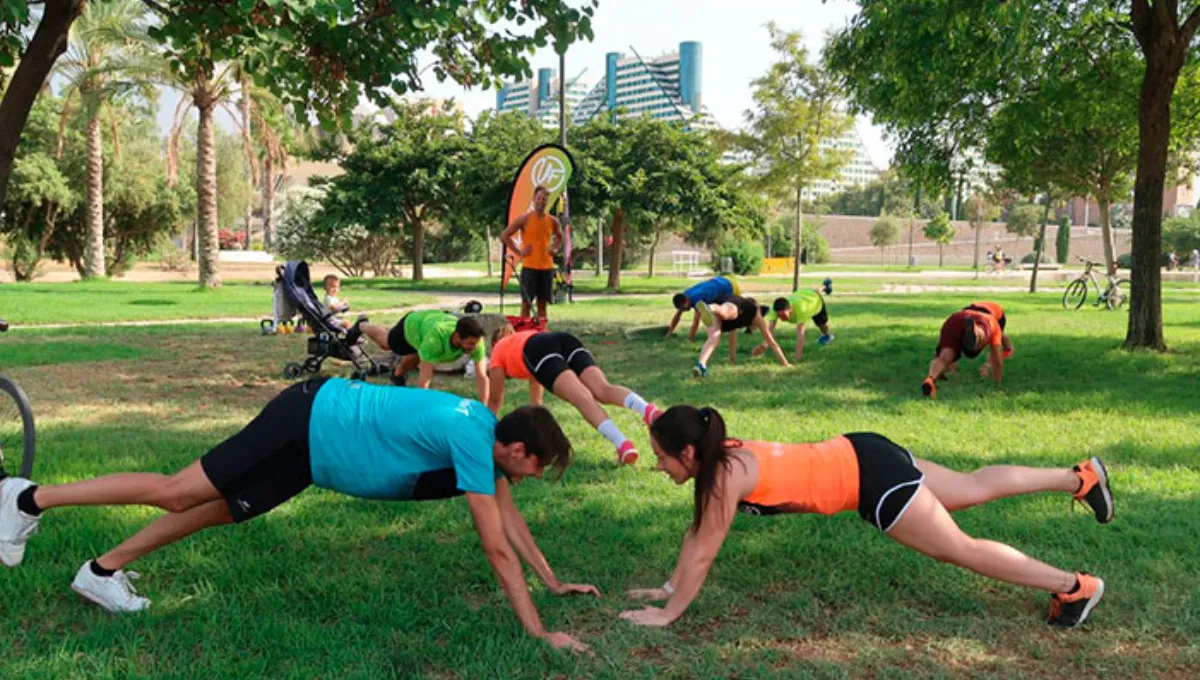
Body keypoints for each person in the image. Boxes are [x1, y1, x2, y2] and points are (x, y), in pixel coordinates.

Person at [0, 379, 597, 653]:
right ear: (518, 450)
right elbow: (495, 545)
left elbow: (510, 522)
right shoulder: (473, 439)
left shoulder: (487, 440)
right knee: (177, 490)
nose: (532, 477)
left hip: (315, 455)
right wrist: (537, 633)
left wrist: (551, 581)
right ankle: (27, 499)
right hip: (307, 419)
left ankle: (101, 571)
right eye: (537, 467)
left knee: (216, 511)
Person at [618, 405, 1113, 630]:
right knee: (970, 486)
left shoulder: (723, 477)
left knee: (960, 548)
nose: (659, 466)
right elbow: (697, 533)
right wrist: (667, 588)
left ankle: (1075, 587)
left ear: (688, 452)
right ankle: (1080, 478)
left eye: (661, 457)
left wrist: (669, 613)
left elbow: (704, 553)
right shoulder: (719, 457)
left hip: (870, 482)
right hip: (862, 448)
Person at [488, 326, 663, 465]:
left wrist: (486, 429)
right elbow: (536, 387)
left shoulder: (498, 351)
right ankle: (647, 410)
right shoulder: (520, 339)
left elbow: (495, 398)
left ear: (494, 344)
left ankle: (623, 445)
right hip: (563, 339)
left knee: (582, 398)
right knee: (603, 388)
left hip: (538, 350)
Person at [360, 310, 489, 398]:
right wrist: (421, 406)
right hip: (412, 326)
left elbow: (482, 376)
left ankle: (397, 376)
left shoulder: (477, 342)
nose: (474, 347)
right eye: (470, 344)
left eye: (476, 343)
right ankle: (362, 325)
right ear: (457, 336)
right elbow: (425, 378)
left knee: (418, 357)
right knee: (386, 344)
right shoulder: (435, 339)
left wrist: (485, 408)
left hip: (426, 329)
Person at [921, 301, 1013, 399]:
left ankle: (930, 379)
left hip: (957, 317)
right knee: (988, 333)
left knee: (945, 356)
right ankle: (977, 333)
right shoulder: (993, 324)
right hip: (985, 319)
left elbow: (939, 353)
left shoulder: (965, 315)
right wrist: (997, 382)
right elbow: (997, 360)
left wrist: (944, 366)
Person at [500, 185, 563, 320]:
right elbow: (505, 235)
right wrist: (519, 252)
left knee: (542, 303)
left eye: (544, 199)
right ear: (534, 199)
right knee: (526, 303)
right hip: (529, 267)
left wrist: (554, 249)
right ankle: (525, 328)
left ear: (547, 201)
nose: (541, 202)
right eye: (539, 198)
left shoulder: (552, 221)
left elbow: (560, 236)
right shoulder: (525, 219)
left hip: (546, 267)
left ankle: (541, 329)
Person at [692, 295, 789, 377]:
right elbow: (772, 342)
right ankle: (709, 308)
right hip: (734, 304)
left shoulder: (739, 322)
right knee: (724, 313)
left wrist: (732, 359)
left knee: (714, 338)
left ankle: (701, 365)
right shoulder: (756, 314)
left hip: (719, 311)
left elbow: (732, 339)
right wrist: (785, 362)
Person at [753, 288, 833, 362]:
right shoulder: (774, 310)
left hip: (814, 301)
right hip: (801, 294)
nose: (781, 318)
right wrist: (764, 345)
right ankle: (824, 287)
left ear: (790, 309)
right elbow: (769, 331)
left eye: (783, 315)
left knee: (822, 325)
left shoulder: (801, 308)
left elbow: (800, 334)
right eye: (779, 316)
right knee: (816, 291)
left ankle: (827, 336)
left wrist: (798, 356)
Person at [665, 276, 741, 340]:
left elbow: (696, 321)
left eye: (684, 308)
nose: (684, 310)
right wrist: (669, 333)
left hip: (730, 286)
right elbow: (677, 316)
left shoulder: (697, 300)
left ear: (686, 301)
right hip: (721, 279)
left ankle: (746, 326)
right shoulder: (685, 295)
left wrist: (690, 339)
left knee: (735, 311)